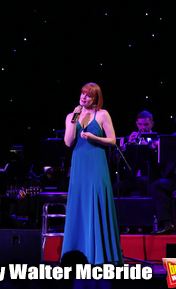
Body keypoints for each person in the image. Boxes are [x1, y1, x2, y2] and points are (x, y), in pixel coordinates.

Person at [60, 82, 123, 265]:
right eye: (82, 94)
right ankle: (78, 252)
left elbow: (112, 140)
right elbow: (68, 141)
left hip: (96, 163)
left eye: (88, 95)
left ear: (96, 98)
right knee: (79, 204)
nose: (83, 97)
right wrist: (75, 119)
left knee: (96, 202)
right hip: (79, 164)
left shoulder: (102, 114)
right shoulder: (72, 116)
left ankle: (100, 255)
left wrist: (94, 137)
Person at [113, 110, 161, 197]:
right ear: (136, 123)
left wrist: (147, 148)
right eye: (140, 124)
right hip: (132, 178)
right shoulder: (129, 139)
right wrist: (126, 146)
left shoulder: (157, 140)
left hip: (151, 177)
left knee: (142, 181)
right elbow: (115, 158)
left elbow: (161, 163)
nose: (142, 127)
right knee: (117, 187)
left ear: (152, 124)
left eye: (146, 124)